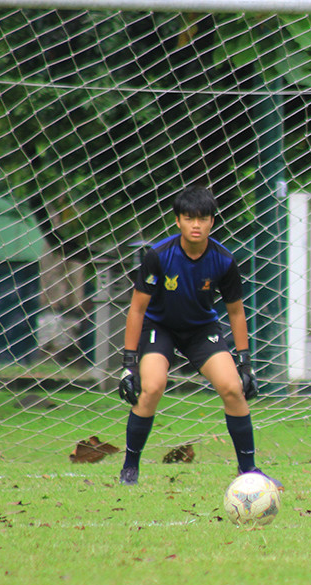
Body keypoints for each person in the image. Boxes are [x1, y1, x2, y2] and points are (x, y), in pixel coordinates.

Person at [116, 186, 280, 489]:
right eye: (189, 218)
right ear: (177, 221)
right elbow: (137, 310)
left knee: (233, 388)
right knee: (151, 387)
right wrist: (128, 363)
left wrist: (245, 363)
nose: (196, 225)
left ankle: (249, 471)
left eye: (202, 219)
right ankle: (130, 467)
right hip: (160, 327)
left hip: (201, 330)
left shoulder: (223, 260)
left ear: (212, 223)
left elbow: (236, 313)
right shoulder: (158, 256)